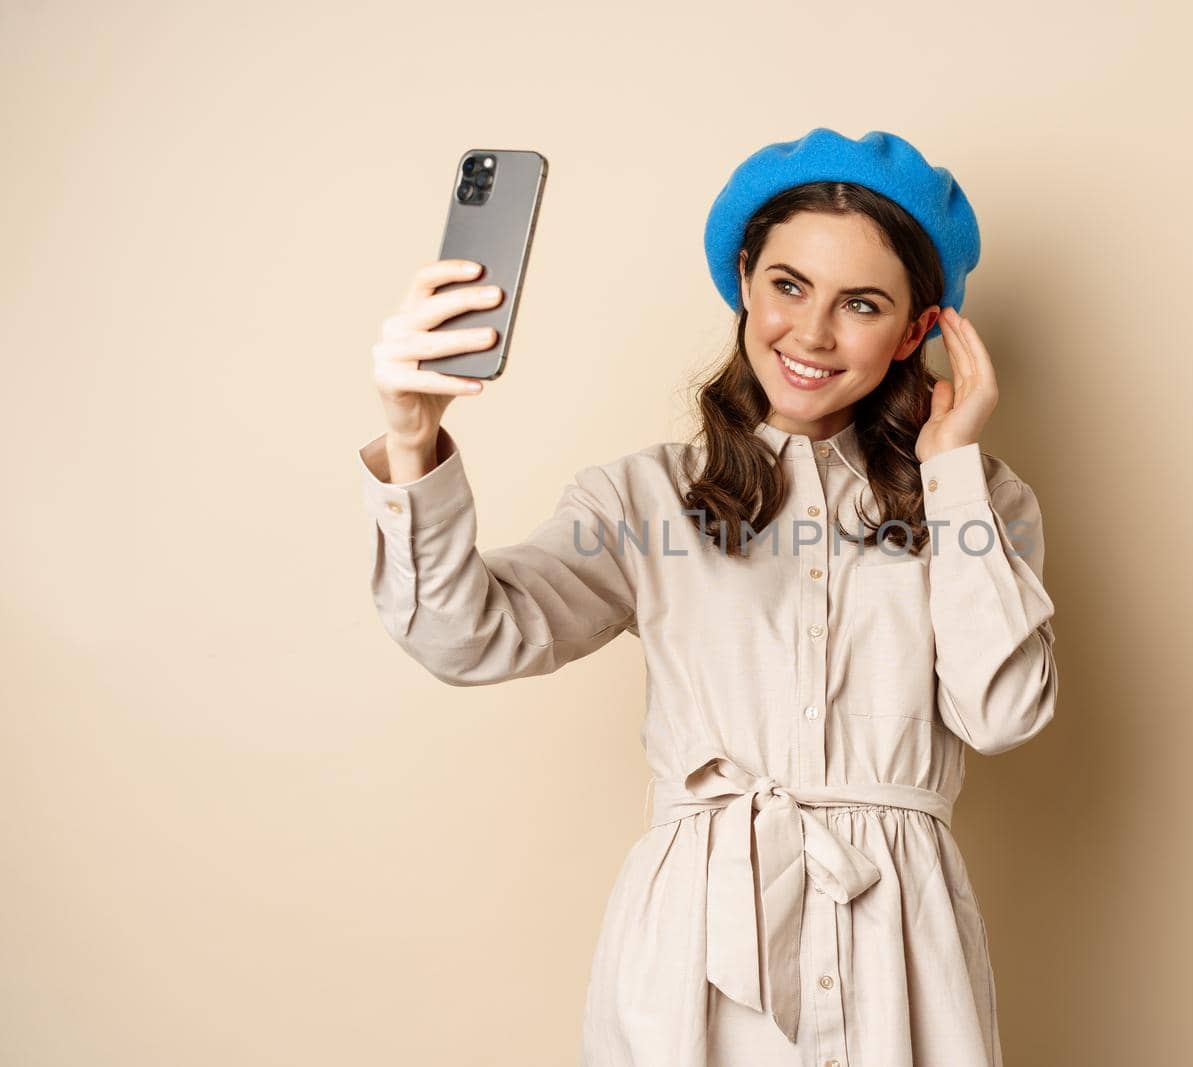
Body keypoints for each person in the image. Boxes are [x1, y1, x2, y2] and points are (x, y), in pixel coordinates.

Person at [357, 127, 1059, 1067]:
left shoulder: (980, 500)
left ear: (918, 328)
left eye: (861, 303)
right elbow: (464, 637)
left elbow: (1004, 711)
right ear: (744, 278)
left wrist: (954, 473)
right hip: (693, 950)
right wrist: (411, 438)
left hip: (901, 951)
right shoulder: (644, 498)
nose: (811, 334)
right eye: (788, 285)